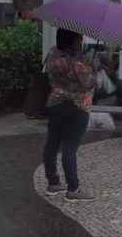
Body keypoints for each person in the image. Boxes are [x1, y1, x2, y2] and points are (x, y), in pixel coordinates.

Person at [43, 28, 96, 202]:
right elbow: (89, 84)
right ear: (74, 40)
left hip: (55, 103)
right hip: (77, 107)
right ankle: (73, 188)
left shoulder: (52, 54)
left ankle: (53, 182)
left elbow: (49, 75)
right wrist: (93, 66)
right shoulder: (80, 62)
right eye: (79, 37)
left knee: (52, 143)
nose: (81, 39)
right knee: (69, 148)